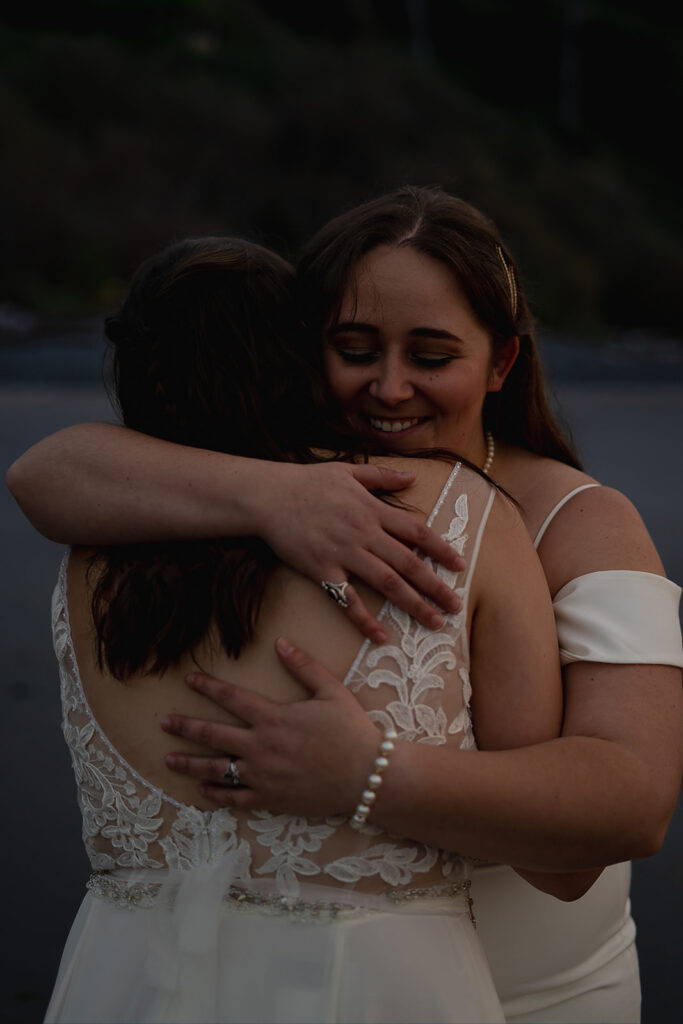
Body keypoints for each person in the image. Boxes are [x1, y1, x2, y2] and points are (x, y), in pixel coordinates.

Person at [7, 187, 683, 1022]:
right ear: (299, 347)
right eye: (353, 348)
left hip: (541, 993)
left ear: (501, 363)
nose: (388, 388)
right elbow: (43, 474)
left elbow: (631, 795)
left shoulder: (573, 517)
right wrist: (269, 494)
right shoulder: (279, 495)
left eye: (431, 356)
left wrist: (368, 775)